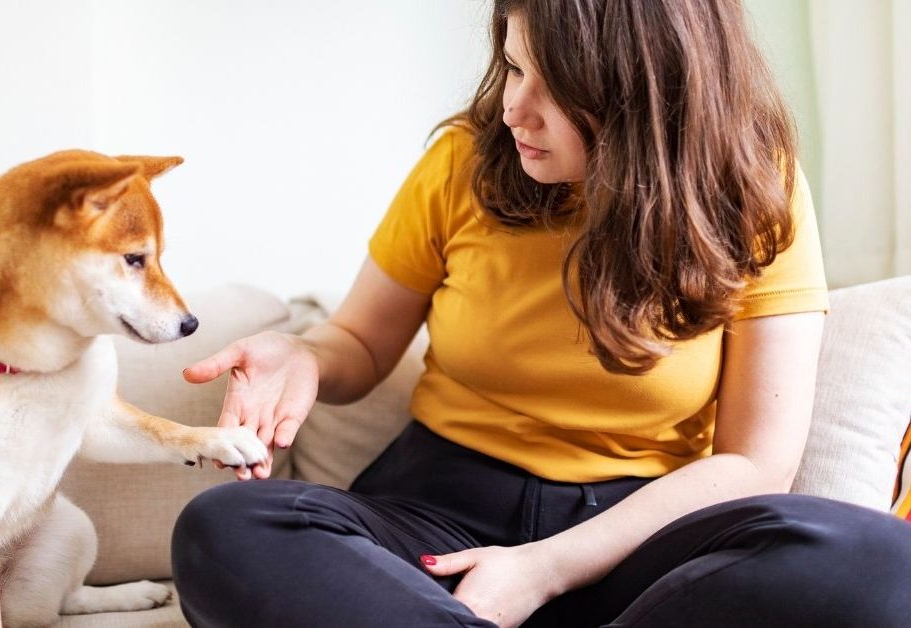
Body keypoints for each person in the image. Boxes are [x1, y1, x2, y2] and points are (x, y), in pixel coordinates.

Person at [171, 1, 911, 626]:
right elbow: (361, 341)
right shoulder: (464, 158)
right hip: (437, 523)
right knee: (227, 528)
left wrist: (543, 569)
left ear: (648, 92)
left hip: (639, 542)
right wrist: (303, 355)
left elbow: (756, 462)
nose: (511, 109)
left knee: (880, 561)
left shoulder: (754, 190)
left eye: (553, 86)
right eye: (514, 66)